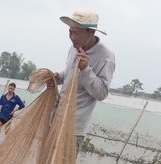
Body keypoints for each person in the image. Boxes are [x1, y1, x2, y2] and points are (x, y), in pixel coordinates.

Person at [49, 10, 115, 153]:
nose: (72, 37)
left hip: (74, 128)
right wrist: (57, 77)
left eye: (76, 33)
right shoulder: (73, 49)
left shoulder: (105, 56)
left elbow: (102, 93)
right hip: (56, 119)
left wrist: (86, 70)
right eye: (70, 32)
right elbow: (68, 75)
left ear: (90, 33)